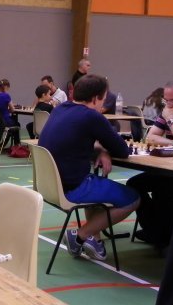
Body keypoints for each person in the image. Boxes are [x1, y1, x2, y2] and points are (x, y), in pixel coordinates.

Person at [39, 74, 140, 261]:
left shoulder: (60, 109)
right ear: (95, 98)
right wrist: (104, 149)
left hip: (50, 186)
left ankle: (95, 240)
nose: (103, 104)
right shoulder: (92, 116)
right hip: (74, 187)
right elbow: (122, 150)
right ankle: (80, 235)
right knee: (133, 199)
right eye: (104, 99)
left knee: (96, 186)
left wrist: (100, 150)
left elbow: (75, 139)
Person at [127, 79, 173, 249]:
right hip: (170, 168)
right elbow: (150, 137)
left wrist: (171, 121)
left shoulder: (170, 116)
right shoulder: (168, 111)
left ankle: (164, 234)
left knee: (164, 190)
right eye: (166, 100)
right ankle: (155, 231)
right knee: (134, 184)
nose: (169, 105)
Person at [0, 78, 20, 145]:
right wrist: (7, 109)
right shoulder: (6, 96)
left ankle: (4, 144)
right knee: (16, 124)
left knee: (13, 124)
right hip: (3, 121)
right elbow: (12, 110)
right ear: (6, 87)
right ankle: (16, 145)